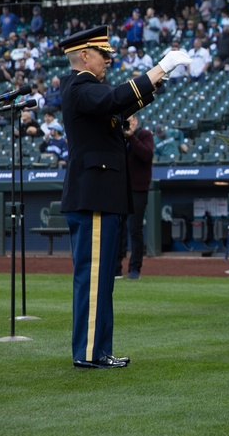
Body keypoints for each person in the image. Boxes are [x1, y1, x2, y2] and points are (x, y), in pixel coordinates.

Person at [60, 25, 190, 369]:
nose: (108, 61)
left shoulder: (89, 91)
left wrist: (156, 82)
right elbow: (114, 99)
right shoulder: (79, 87)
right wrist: (159, 68)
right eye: (104, 55)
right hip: (95, 197)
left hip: (103, 196)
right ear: (84, 55)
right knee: (93, 280)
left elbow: (120, 107)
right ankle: (88, 352)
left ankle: (99, 350)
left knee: (102, 282)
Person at [117, 115, 154, 280]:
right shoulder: (118, 136)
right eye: (125, 119)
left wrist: (131, 137)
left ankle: (134, 269)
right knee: (118, 229)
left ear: (136, 120)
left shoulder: (144, 134)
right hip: (121, 189)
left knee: (135, 230)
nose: (128, 123)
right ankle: (116, 267)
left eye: (131, 119)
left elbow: (146, 155)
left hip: (138, 189)